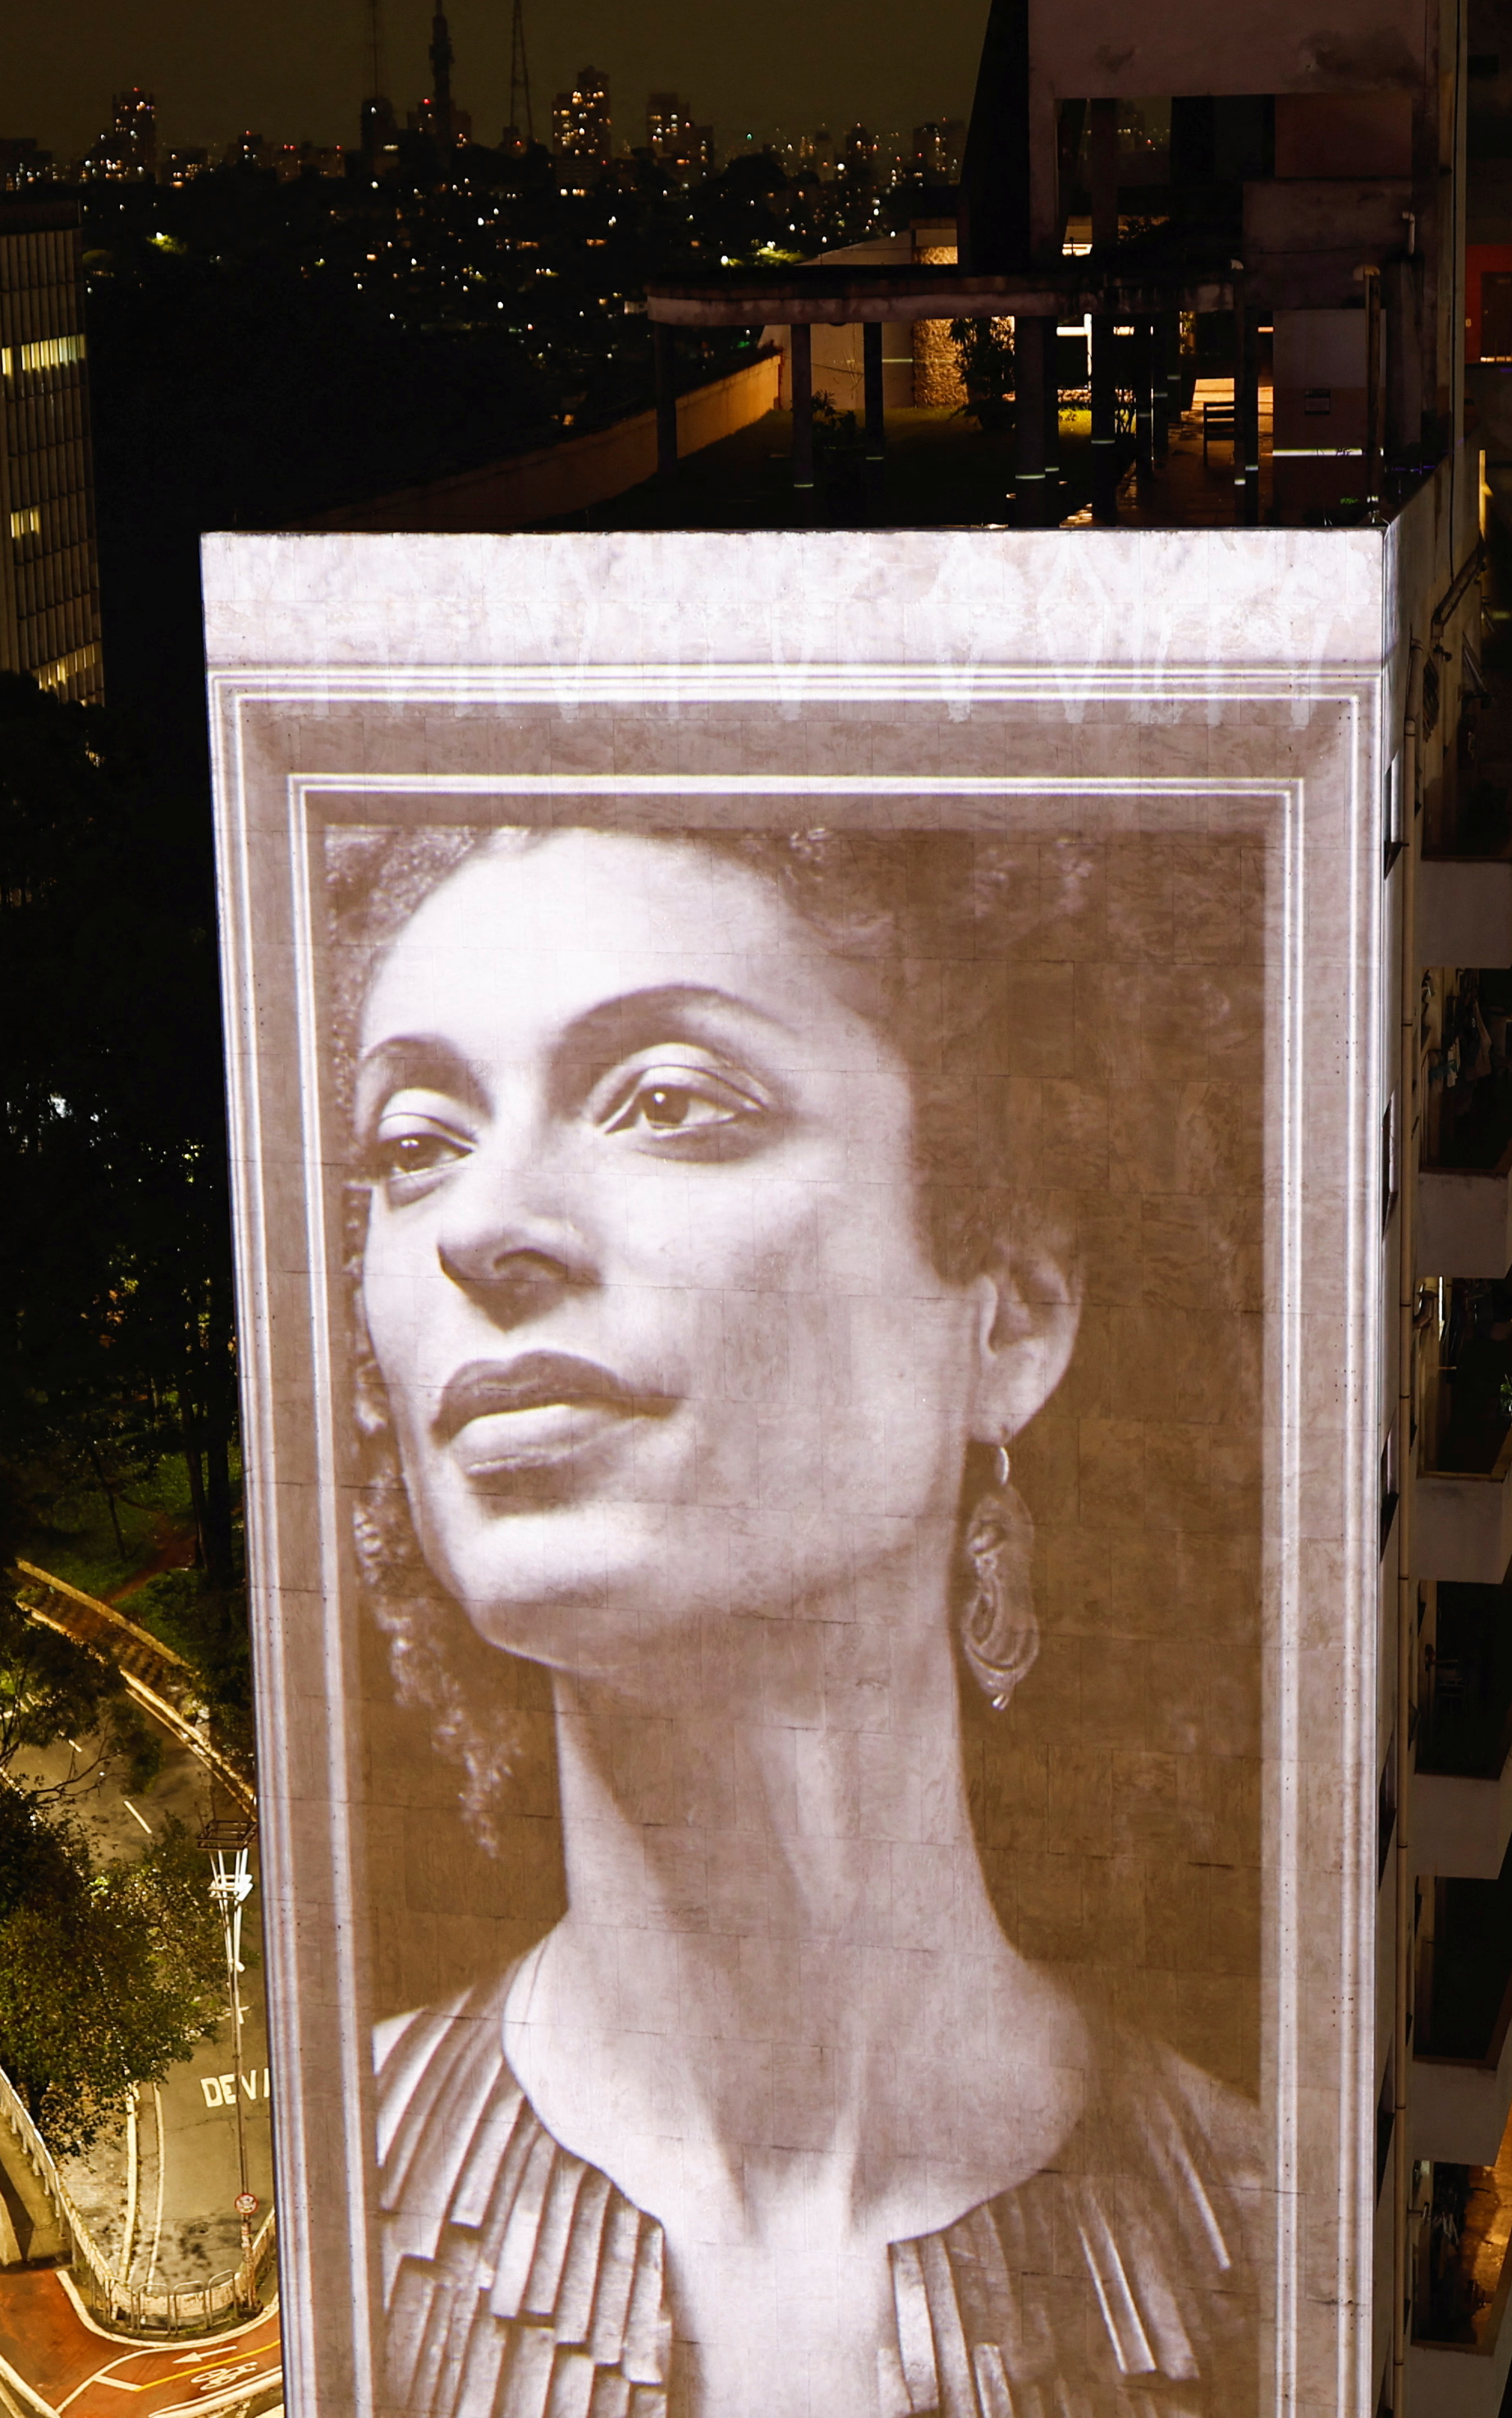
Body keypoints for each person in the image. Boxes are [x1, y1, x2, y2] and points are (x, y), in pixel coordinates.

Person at [328, 821, 1263, 2418]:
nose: (477, 1227)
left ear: (1013, 1307)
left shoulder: (1262, 2239)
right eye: (414, 1142)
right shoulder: (330, 2187)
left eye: (667, 1103)